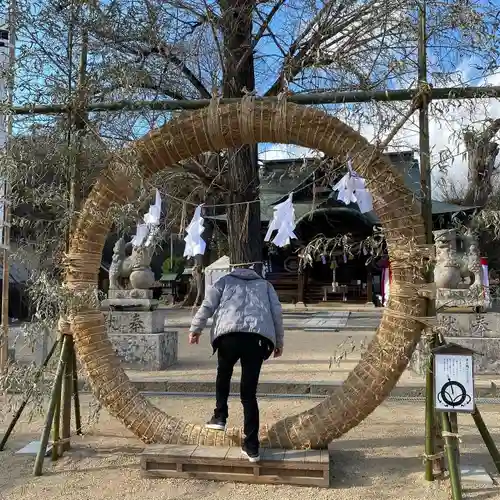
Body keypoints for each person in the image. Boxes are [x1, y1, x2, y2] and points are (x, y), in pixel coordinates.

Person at [188, 264, 284, 463]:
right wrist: (279, 342)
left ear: (233, 270)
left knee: (224, 373)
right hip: (257, 339)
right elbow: (277, 314)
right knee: (248, 395)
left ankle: (220, 416)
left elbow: (207, 305)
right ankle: (252, 447)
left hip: (228, 336)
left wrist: (195, 328)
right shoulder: (265, 286)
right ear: (255, 271)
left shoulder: (223, 281)